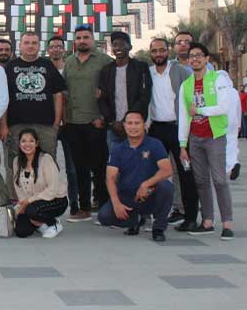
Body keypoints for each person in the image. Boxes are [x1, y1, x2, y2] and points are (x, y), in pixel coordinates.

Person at [178, 43, 235, 240]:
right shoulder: (186, 85)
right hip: (195, 138)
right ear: (187, 61)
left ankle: (227, 223)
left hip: (214, 136)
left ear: (206, 58)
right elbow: (184, 116)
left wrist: (201, 111)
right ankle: (207, 221)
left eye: (199, 55)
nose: (195, 59)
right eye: (191, 56)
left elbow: (224, 106)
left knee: (219, 180)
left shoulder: (218, 78)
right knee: (201, 181)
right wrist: (182, 145)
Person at [0, 31, 66, 197]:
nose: (30, 46)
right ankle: (15, 201)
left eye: (34, 43)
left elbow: (58, 95)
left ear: (39, 46)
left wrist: (56, 123)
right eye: (27, 43)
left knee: (48, 163)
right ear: (20, 45)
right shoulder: (10, 67)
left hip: (45, 125)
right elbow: (3, 98)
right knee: (14, 164)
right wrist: (4, 125)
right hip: (16, 125)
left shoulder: (47, 65)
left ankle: (48, 200)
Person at [147, 38, 199, 232]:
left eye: (162, 50)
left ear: (168, 51)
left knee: (186, 173)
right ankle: (155, 215)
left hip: (179, 130)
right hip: (156, 129)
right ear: (150, 53)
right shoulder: (148, 73)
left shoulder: (181, 71)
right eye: (154, 51)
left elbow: (192, 97)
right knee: (154, 173)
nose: (158, 54)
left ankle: (190, 217)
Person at [97, 111, 173, 242]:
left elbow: (167, 170)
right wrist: (116, 203)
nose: (133, 127)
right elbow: (110, 177)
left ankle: (158, 228)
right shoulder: (118, 149)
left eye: (137, 123)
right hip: (127, 197)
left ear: (144, 125)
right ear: (124, 126)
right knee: (104, 216)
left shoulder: (155, 144)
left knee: (166, 186)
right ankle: (136, 220)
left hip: (149, 194)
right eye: (130, 123)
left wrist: (146, 184)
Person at [63, 24, 113, 222]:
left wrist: (103, 117)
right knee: (79, 168)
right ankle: (84, 208)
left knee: (100, 168)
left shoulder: (104, 61)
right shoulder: (69, 61)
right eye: (79, 38)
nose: (82, 41)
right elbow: (64, 91)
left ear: (93, 39)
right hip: (73, 122)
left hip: (95, 122)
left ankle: (104, 207)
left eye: (86, 37)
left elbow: (111, 91)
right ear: (74, 41)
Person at [97, 31, 152, 152]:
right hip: (113, 128)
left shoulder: (141, 68)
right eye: (115, 45)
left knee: (138, 160)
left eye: (122, 44)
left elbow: (144, 97)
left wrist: (126, 121)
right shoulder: (106, 71)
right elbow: (101, 99)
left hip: (136, 125)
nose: (118, 48)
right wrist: (112, 122)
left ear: (130, 47)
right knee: (115, 161)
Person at [12, 129, 68, 239]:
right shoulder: (16, 161)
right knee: (21, 231)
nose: (27, 144)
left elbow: (52, 190)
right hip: (32, 202)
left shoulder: (46, 159)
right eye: (23, 141)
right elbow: (17, 186)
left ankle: (53, 223)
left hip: (56, 199)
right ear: (19, 144)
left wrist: (28, 202)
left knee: (32, 211)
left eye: (31, 141)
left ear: (37, 143)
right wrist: (23, 203)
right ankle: (40, 223)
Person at [46, 35, 79, 216]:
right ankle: (49, 201)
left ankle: (74, 203)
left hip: (69, 122)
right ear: (48, 50)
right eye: (53, 46)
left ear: (64, 49)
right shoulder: (43, 68)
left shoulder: (71, 68)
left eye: (59, 46)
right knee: (48, 166)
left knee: (72, 167)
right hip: (48, 123)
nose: (56, 49)